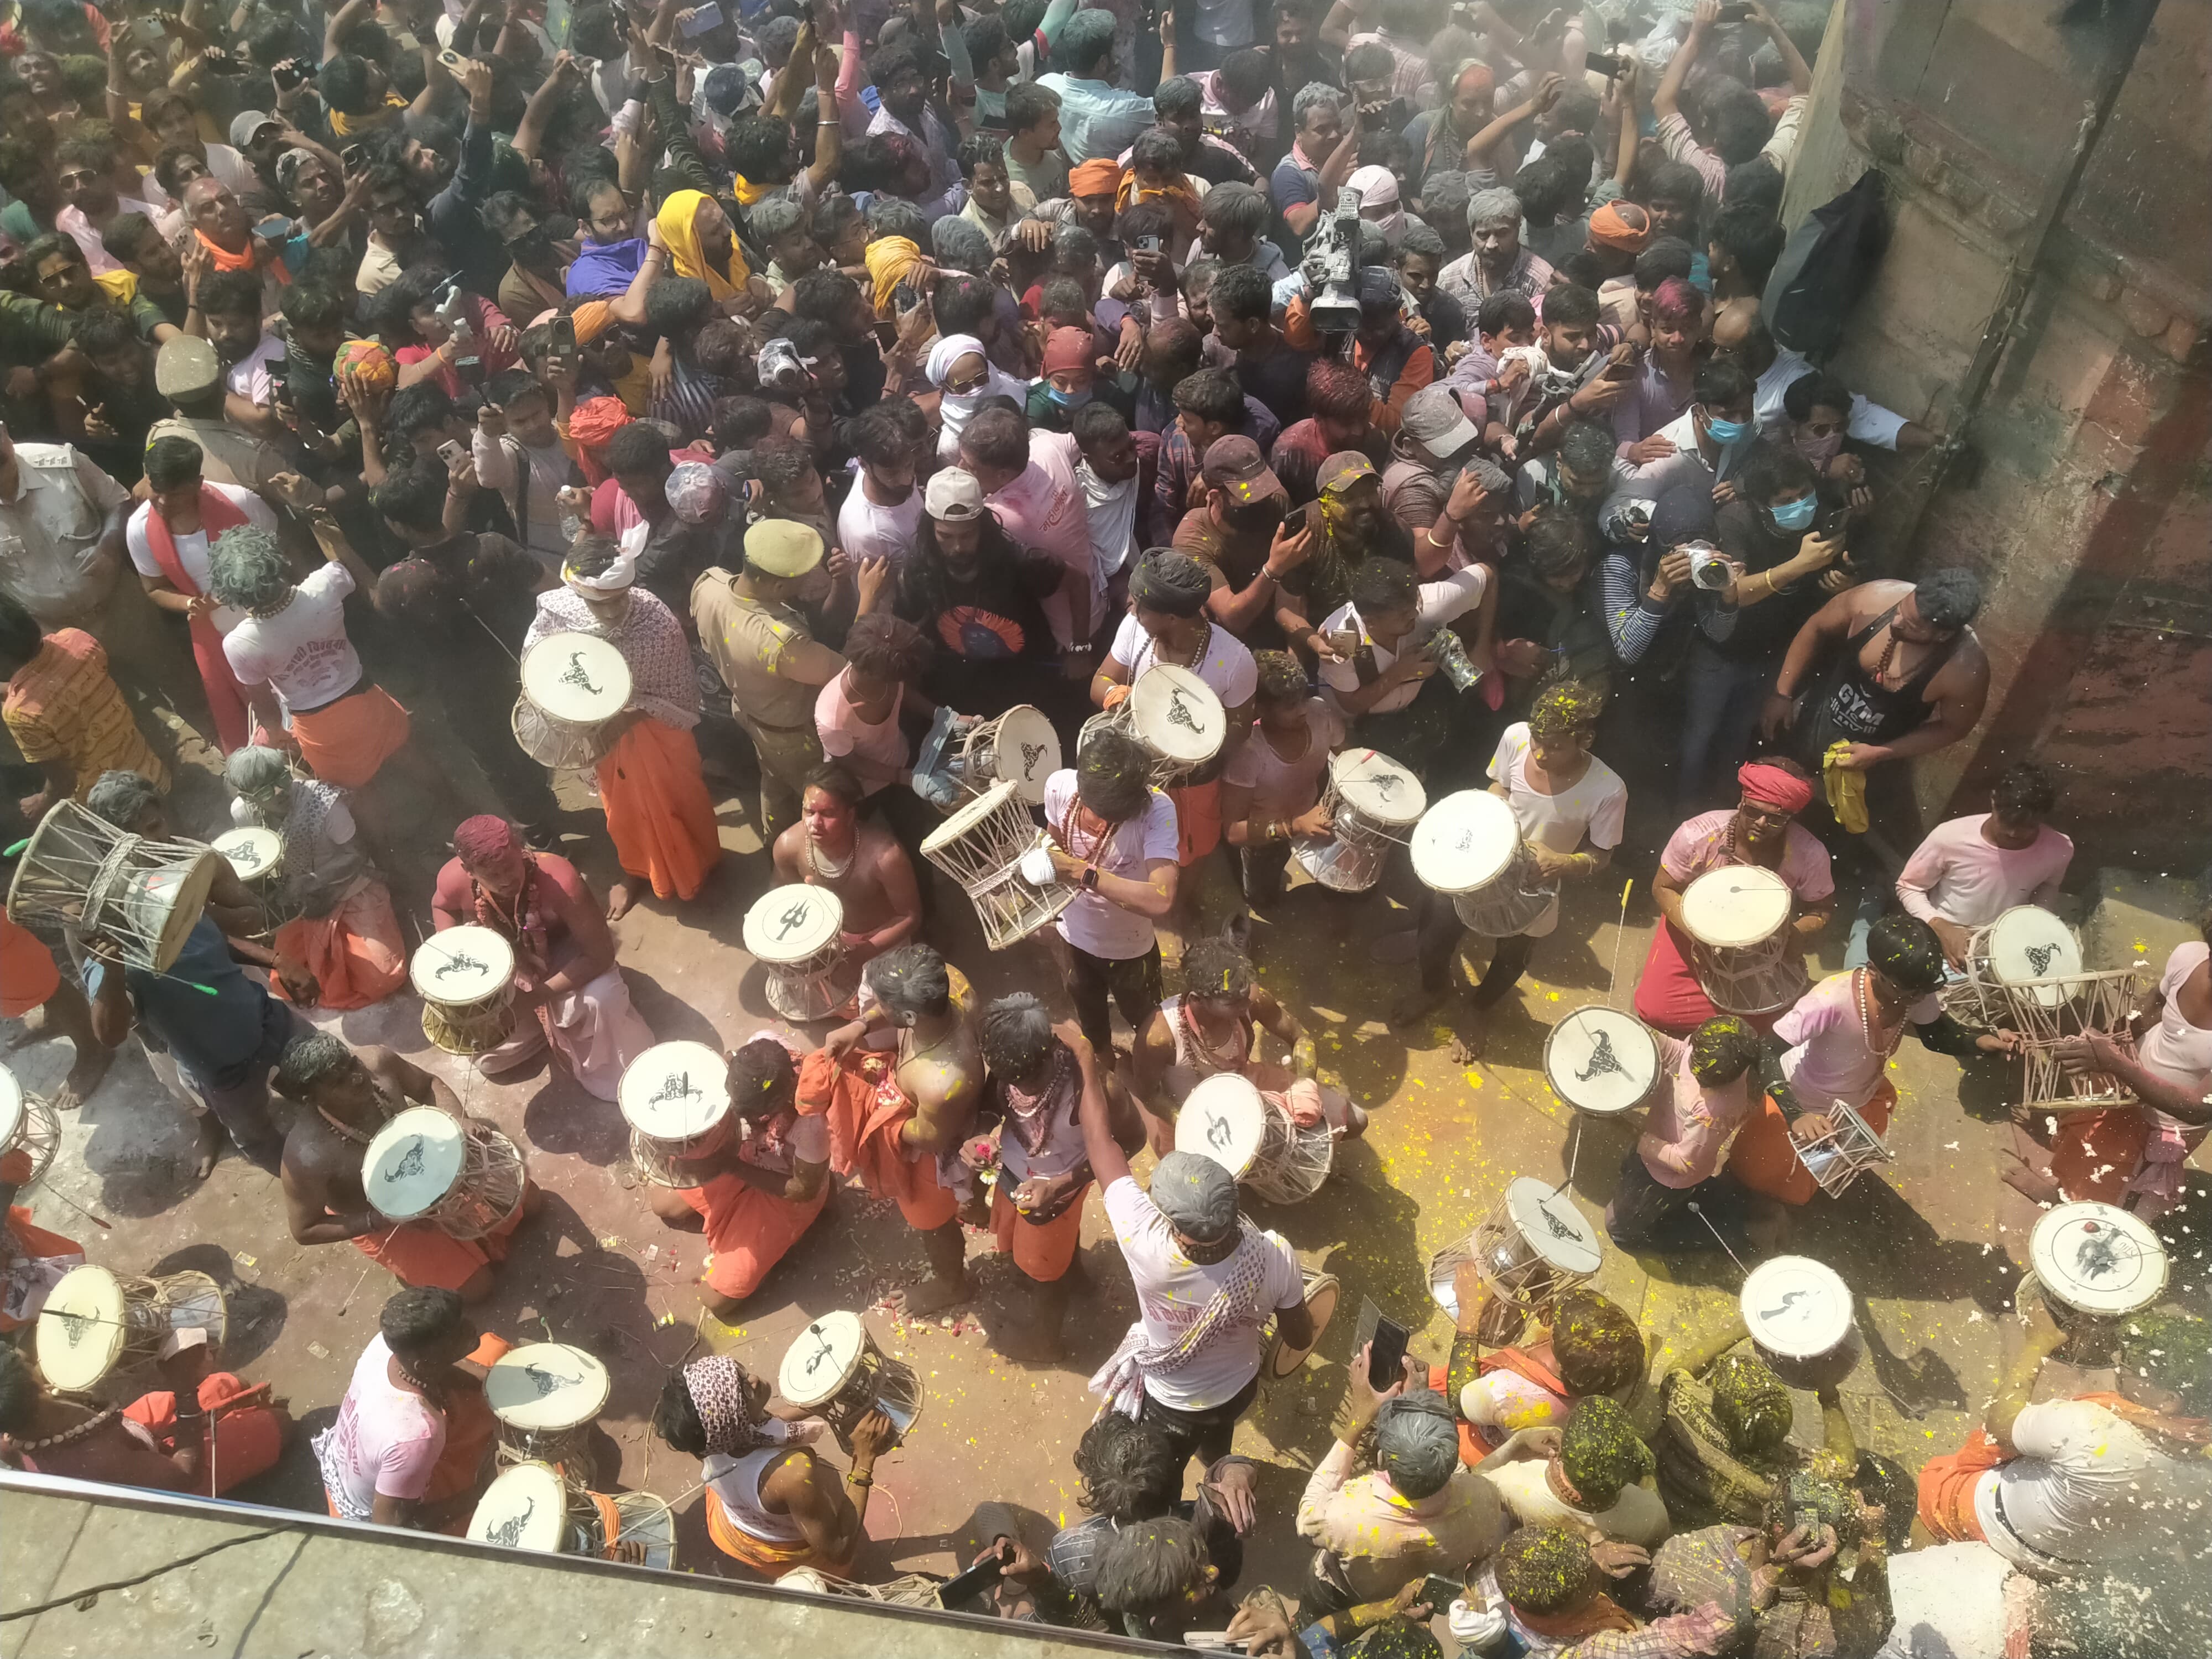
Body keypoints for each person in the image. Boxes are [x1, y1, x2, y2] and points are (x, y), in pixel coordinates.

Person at [1079, 1021, 1314, 1471]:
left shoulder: (1145, 1243)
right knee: (1217, 1439)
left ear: (1172, 1221)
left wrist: (1088, 1064)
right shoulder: (1273, 1254)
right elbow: (1299, 1337)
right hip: (1236, 1388)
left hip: (1170, 1401)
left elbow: (1099, 1144)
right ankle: (1217, 1464)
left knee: (1161, 1468)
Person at [1727, 914, 2011, 1215]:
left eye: (1923, 991)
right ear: (1874, 971)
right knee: (1757, 1171)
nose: (1916, 1000)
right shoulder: (1829, 1001)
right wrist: (1796, 1114)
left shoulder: (1914, 994)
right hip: (1804, 1098)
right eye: (1908, 991)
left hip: (1858, 1097)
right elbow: (1768, 1049)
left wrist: (1979, 1041)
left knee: (1819, 1167)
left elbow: (1935, 1035)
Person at [1395, 679, 1625, 1050]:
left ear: (1586, 741)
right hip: (1479, 860)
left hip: (1534, 883)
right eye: (1538, 739)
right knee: (1434, 936)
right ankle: (1433, 989)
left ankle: (1479, 1010)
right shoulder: (1516, 738)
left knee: (1512, 954)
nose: (1540, 753)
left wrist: (1563, 861)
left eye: (1555, 746)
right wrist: (1493, 810)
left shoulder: (1608, 789)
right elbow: (1499, 787)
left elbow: (1602, 856)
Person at [1914, 1300, 2211, 1574]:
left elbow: (2000, 1427)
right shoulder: (2205, 1474)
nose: (2120, 1368)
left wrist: (2038, 1341)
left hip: (1988, 1521)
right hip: (2067, 1566)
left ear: (2169, 1401)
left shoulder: (2088, 1430)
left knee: (1934, 1500)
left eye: (2131, 1367)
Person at [525, 535, 720, 918]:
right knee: (623, 810)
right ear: (578, 592)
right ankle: (636, 871)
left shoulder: (656, 620)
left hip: (656, 728)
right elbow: (542, 666)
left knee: (681, 800)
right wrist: (588, 715)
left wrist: (630, 714)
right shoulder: (557, 614)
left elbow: (677, 690)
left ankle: (698, 868)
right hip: (600, 736)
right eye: (602, 602)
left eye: (621, 597)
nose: (613, 609)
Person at [273, 1033, 528, 1302]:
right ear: (310, 1099)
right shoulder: (306, 1156)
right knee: (480, 1289)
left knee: (529, 1205)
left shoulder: (377, 1062)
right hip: (382, 1218)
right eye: (339, 1082)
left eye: (351, 1064)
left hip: (430, 1165)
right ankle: (416, 1266)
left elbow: (428, 1085)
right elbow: (305, 1229)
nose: (357, 1078)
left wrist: (459, 1120)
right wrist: (378, 1220)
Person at [429, 815, 655, 1102]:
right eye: (493, 875)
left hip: (566, 958)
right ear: (469, 871)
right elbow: (441, 905)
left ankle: (560, 1026)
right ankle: (554, 1029)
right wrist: (455, 957)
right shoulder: (453, 879)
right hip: (505, 964)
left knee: (603, 998)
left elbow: (600, 955)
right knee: (491, 1061)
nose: (507, 880)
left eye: (510, 866)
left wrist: (531, 1000)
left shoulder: (560, 880)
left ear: (521, 849)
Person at [810, 945, 980, 1316]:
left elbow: (930, 1136)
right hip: (934, 1109)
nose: (875, 1007)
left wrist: (870, 1110)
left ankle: (952, 1284)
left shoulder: (942, 1080)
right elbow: (894, 1009)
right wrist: (860, 1026)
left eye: (881, 1004)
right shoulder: (948, 982)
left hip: (937, 1148)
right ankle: (975, 1202)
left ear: (908, 1016)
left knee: (931, 1223)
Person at [1297, 1344, 1511, 1608]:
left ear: (1383, 1458)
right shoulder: (1485, 1501)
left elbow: (1306, 1519)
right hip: (1410, 1598)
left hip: (1340, 1593)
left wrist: (1357, 1418)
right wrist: (1421, 1402)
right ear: (1454, 1455)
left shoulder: (1345, 1517)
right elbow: (1448, 1470)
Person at [1093, 546, 1256, 892]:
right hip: (1133, 773)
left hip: (1192, 782)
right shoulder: (1133, 630)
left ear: (1172, 617)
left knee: (1192, 851)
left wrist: (1194, 746)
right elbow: (1101, 681)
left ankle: (1182, 904)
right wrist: (1118, 698)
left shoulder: (1234, 661)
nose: (1130, 608)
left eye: (1140, 604)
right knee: (1136, 848)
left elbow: (1241, 729)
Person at [1633, 760, 1835, 1037]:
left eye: (1776, 819)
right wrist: (1700, 936)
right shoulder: (1697, 835)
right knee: (1655, 1010)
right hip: (1693, 928)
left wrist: (1795, 934)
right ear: (1742, 801)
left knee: (1782, 1022)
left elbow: (1821, 908)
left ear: (1790, 817)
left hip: (1761, 945)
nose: (1762, 824)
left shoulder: (1809, 854)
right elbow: (1663, 888)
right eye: (1754, 812)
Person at [2034, 911, 2212, 1218]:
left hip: (2166, 1124)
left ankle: (2089, 1217)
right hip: (2124, 1085)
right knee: (2083, 1148)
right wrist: (2109, 1039)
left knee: (2115, 1183)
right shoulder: (2190, 958)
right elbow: (2155, 1003)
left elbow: (2199, 1106)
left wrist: (2113, 1062)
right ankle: (2061, 1194)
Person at [641, 1034, 831, 1321]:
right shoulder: (761, 1050)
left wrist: (730, 1166)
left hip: (786, 1192)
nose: (740, 1118)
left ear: (777, 1104)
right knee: (663, 1204)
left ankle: (769, 1260)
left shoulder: (810, 1128)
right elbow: (725, 1062)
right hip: (745, 1155)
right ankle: (740, 1220)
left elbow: (802, 1189)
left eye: (750, 1115)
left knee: (713, 1299)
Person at [654, 1350, 896, 1574]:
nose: (754, 1380)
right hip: (776, 1548)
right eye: (744, 1392)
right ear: (737, 1422)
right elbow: (839, 1550)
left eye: (739, 1372)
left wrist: (817, 1404)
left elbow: (758, 1424)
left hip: (731, 1520)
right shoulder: (793, 1475)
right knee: (841, 1568)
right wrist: (863, 1458)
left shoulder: (708, 1439)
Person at [967, 994, 1108, 1361]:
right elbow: (991, 1100)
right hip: (1018, 1176)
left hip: (1057, 1191)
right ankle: (1074, 1276)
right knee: (1048, 1257)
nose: (1020, 1087)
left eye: (1028, 1078)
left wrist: (1059, 1186)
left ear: (1047, 1054)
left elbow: (1125, 1144)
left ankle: (1047, 1344)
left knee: (1046, 1276)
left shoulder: (1086, 1082)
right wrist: (983, 1133)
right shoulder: (1012, 1053)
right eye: (1009, 1078)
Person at [1762, 571, 1991, 794]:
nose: (1897, 622)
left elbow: (1954, 728)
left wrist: (1881, 753)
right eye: (1901, 610)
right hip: (1808, 722)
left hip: (1869, 767)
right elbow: (1816, 627)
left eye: (1912, 625)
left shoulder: (1964, 669)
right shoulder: (1874, 599)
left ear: (1942, 636)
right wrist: (1782, 693)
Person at [127, 433, 283, 754]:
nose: (162, 502)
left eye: (175, 494)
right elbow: (153, 588)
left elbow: (276, 554)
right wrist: (189, 604)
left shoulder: (240, 501)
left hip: (270, 619)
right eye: (156, 490)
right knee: (241, 715)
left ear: (198, 482)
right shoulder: (139, 528)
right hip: (214, 638)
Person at [695, 519, 846, 847]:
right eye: (803, 576)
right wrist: (869, 600)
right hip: (793, 736)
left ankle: (773, 840)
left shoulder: (709, 584)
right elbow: (845, 672)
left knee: (774, 780)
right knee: (820, 798)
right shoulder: (782, 641)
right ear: (778, 588)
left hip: (750, 713)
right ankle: (806, 860)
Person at [313, 1286, 512, 1532]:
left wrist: (493, 1383)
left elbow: (442, 1368)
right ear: (425, 1364)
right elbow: (392, 1526)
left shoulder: (388, 1347)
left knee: (493, 1365)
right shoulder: (419, 1435)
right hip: (371, 1509)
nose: (471, 1329)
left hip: (359, 1461)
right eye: (458, 1334)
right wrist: (483, 1490)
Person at [1133, 936, 1363, 1147]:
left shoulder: (1250, 997)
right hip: (1192, 1114)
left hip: (1249, 1084)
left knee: (1356, 1120)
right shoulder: (1159, 1037)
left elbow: (1300, 1036)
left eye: (1246, 996)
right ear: (1198, 999)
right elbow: (1150, 1095)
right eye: (1234, 1003)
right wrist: (1187, 1121)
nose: (1246, 1006)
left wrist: (1305, 1084)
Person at [222, 745, 404, 1011]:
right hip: (300, 900)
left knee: (382, 977)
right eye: (265, 791)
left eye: (282, 779)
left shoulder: (325, 805)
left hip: (349, 886)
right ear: (247, 797)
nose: (280, 792)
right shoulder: (242, 812)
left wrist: (313, 880)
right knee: (284, 980)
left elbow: (355, 855)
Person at [0, 1329, 286, 1496]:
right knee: (282, 1424)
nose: (28, 1355)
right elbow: (184, 1476)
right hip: (167, 1475)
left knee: (231, 1384)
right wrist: (185, 1389)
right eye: (23, 1359)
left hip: (126, 1431)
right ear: (32, 1386)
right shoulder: (99, 1461)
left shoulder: (14, 1427)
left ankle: (236, 1409)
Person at [1651, 1314, 1864, 1533]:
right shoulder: (1785, 1482)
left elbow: (1678, 1370)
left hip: (1664, 1496)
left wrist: (1739, 1329)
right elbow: (1844, 1463)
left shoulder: (1684, 1408)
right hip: (1715, 1530)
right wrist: (1828, 1394)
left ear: (1714, 1404)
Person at [1046, 1410, 1259, 1624]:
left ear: (1097, 1493)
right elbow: (1230, 1575)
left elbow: (1061, 1603)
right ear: (1168, 1473)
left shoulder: (1071, 1551)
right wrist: (1235, 1471)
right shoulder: (1212, 1523)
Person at [1043, 730, 1181, 1060]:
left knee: (1149, 1026)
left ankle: (1149, 1077)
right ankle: (1105, 1073)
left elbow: (1161, 898)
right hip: (1073, 938)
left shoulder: (1157, 809)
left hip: (1130, 948)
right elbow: (1053, 845)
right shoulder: (1059, 787)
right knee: (1091, 1021)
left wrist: (1084, 873)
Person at [1603, 1015, 1775, 1251]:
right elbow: (1680, 1053)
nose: (1697, 1081)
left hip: (1668, 1175)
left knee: (1618, 1227)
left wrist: (1631, 1132)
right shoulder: (1705, 1048)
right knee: (1630, 1172)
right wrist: (1643, 1034)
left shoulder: (1714, 1112)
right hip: (1656, 1140)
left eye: (1704, 1081)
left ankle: (1742, 1233)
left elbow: (1685, 1162)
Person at [1314, 552, 1490, 781]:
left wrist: (1483, 645)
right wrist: (1401, 673)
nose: (1416, 614)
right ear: (1371, 622)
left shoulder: (1431, 605)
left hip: (1407, 718)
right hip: (1351, 730)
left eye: (1414, 605)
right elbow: (1350, 704)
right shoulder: (1343, 638)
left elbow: (1489, 574)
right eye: (1403, 614)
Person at [768, 762, 925, 1014]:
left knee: (880, 1019)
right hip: (826, 938)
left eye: (828, 814)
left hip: (880, 941)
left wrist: (859, 956)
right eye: (809, 812)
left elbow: (910, 917)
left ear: (850, 815)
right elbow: (782, 897)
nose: (815, 824)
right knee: (813, 1003)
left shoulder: (885, 856)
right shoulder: (788, 845)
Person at [1894, 763, 2074, 971]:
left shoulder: (2060, 849)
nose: (2014, 834)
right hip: (1939, 932)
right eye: (2007, 822)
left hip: (2001, 942)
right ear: (1993, 800)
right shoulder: (1949, 837)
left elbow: (2049, 886)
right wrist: (1938, 925)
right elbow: (1909, 887)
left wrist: (2035, 922)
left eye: (2028, 826)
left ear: (2044, 816)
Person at [0, 592, 169, 810]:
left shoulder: (20, 715)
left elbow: (64, 783)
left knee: (141, 840)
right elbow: (49, 683)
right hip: (150, 771)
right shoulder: (77, 640)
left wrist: (43, 801)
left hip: (109, 805)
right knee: (165, 824)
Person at [1490, 1522, 1753, 1658]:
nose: (1598, 1568)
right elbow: (1681, 1641)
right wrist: (1757, 1584)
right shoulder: (1589, 1651)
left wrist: (1597, 1552)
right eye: (1592, 1582)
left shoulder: (1500, 1575)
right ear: (1561, 1611)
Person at [1219, 647, 1344, 910]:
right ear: (1260, 707)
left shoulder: (1321, 713)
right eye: (1289, 706)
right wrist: (1295, 826)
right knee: (1261, 894)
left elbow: (1348, 758)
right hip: (1264, 841)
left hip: (1310, 817)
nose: (1302, 710)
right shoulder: (1247, 755)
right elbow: (1233, 831)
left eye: (1303, 699)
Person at [1477, 1395, 1671, 1549]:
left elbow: (1478, 1476)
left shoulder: (1513, 1483)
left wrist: (1521, 1439)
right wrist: (1649, 1478)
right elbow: (1658, 1545)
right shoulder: (1650, 1513)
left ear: (1563, 1451)